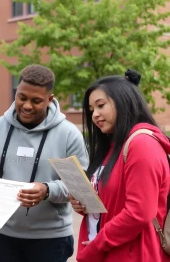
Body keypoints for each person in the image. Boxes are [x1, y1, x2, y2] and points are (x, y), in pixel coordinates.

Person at [0, 64, 88, 262]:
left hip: (49, 238)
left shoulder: (68, 135)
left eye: (36, 101)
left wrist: (47, 190)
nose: (26, 105)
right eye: (22, 97)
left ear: (50, 100)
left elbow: (78, 187)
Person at [70, 69, 170, 262]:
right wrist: (85, 203)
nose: (95, 115)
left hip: (133, 254)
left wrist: (98, 244)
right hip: (108, 251)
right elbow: (115, 200)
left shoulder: (142, 144)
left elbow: (139, 213)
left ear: (124, 102)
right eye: (91, 110)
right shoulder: (112, 147)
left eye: (101, 105)